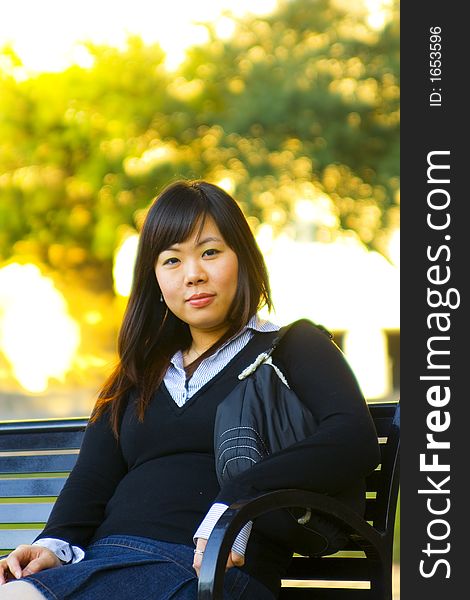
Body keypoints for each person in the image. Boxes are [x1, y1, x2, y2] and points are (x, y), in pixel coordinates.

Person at [0, 180, 380, 599]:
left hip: (211, 577)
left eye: (210, 252)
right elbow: (92, 479)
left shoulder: (291, 347)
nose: (194, 274)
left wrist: (239, 495)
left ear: (244, 258)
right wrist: (52, 545)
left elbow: (353, 439)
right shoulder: (138, 375)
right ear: (156, 280)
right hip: (106, 564)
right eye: (171, 260)